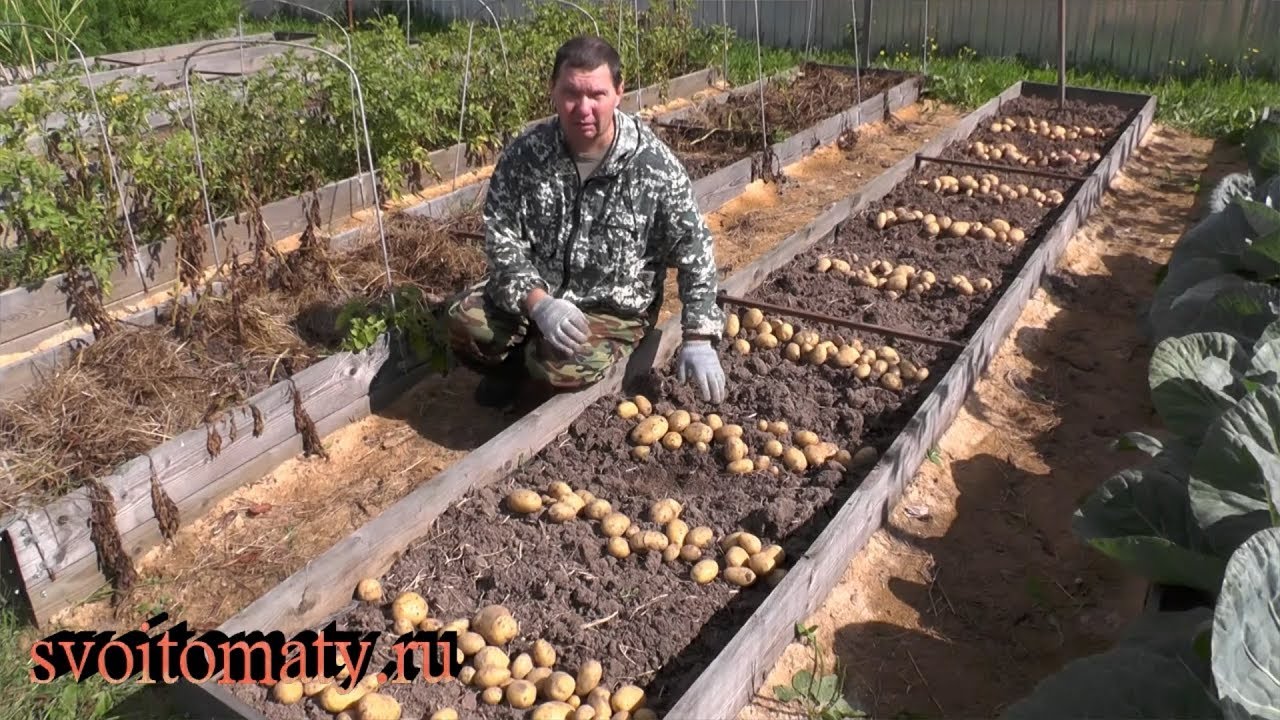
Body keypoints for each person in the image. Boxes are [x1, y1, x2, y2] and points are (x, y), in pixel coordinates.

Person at [445, 35, 727, 409]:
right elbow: (502, 238)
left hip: (610, 308)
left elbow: (695, 249)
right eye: (571, 94)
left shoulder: (653, 168)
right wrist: (539, 303)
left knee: (563, 365)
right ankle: (512, 371)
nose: (583, 108)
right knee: (464, 321)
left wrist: (698, 336)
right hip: (539, 295)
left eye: (596, 94)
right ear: (553, 91)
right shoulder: (527, 155)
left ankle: (535, 383)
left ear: (618, 92)